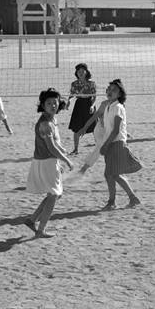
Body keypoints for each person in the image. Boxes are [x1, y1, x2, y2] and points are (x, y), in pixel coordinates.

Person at [24, 89, 73, 237]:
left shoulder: (52, 119)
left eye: (55, 102)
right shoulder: (45, 123)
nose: (53, 105)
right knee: (53, 195)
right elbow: (50, 147)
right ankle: (41, 230)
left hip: (49, 160)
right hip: (46, 162)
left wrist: (62, 150)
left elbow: (54, 143)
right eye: (49, 103)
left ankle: (32, 220)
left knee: (55, 194)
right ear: (43, 105)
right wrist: (67, 160)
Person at [100, 79, 142, 209]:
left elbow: (116, 130)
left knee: (112, 174)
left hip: (116, 143)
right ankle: (129, 199)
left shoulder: (117, 107)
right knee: (113, 174)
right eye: (109, 89)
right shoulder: (108, 106)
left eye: (114, 90)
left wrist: (105, 145)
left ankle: (114, 201)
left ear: (120, 94)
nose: (110, 92)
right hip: (112, 143)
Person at [66, 63, 97, 155]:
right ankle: (75, 149)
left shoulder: (91, 83)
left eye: (82, 71)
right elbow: (71, 95)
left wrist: (92, 105)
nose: (80, 73)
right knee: (76, 128)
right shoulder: (74, 84)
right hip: (79, 105)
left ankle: (99, 146)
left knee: (94, 128)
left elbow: (94, 97)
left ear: (86, 72)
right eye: (78, 71)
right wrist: (68, 102)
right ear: (76, 73)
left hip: (89, 104)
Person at [77, 96, 110, 173]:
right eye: (108, 91)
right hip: (100, 130)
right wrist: (84, 128)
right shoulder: (104, 104)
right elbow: (94, 117)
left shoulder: (120, 105)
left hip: (110, 131)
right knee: (99, 148)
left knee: (111, 149)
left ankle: (111, 171)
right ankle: (83, 169)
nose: (109, 93)